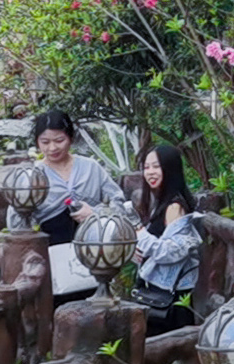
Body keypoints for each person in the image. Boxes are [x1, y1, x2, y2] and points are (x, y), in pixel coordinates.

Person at [27, 109, 123, 245]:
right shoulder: (33, 176)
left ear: (71, 138)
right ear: (37, 142)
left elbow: (118, 202)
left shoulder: (91, 167)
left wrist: (96, 213)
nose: (52, 148)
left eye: (59, 140)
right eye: (45, 142)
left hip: (97, 247)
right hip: (53, 249)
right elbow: (18, 219)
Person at [128, 145, 199, 318]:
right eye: (146, 167)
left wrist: (139, 231)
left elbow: (169, 252)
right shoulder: (159, 202)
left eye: (156, 166)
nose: (150, 172)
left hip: (171, 299)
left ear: (170, 168)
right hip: (158, 293)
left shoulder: (174, 207)